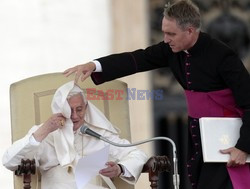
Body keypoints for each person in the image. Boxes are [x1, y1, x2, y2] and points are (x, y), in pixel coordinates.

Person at [63, 0, 250, 189]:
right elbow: (138, 59)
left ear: (190, 31)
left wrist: (243, 147)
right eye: (164, 32)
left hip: (226, 137)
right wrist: (94, 65)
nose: (166, 39)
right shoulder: (171, 49)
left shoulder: (223, 56)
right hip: (198, 134)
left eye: (171, 34)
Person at [2, 81, 148, 189]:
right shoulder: (44, 133)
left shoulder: (99, 133)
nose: (75, 116)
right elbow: (9, 161)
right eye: (69, 110)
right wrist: (44, 130)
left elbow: (137, 154)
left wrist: (120, 168)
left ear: (86, 108)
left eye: (79, 109)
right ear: (59, 109)